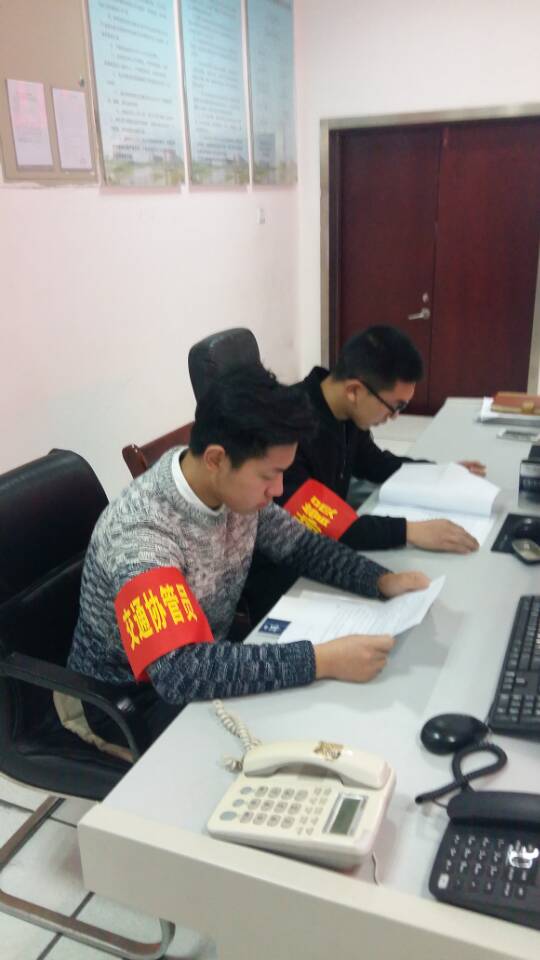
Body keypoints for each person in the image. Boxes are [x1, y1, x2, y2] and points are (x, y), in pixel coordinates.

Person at [68, 364, 429, 748]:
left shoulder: (226, 486)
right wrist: (322, 661)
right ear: (215, 459)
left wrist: (379, 579)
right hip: (131, 699)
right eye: (269, 475)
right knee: (297, 736)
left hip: (207, 653)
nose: (278, 490)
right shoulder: (141, 536)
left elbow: (300, 544)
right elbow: (178, 673)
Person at [278, 325, 485, 554]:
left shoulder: (345, 411)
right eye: (394, 407)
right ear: (354, 391)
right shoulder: (287, 427)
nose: (394, 417)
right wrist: (410, 531)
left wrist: (439, 472)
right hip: (293, 553)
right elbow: (322, 519)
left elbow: (375, 463)